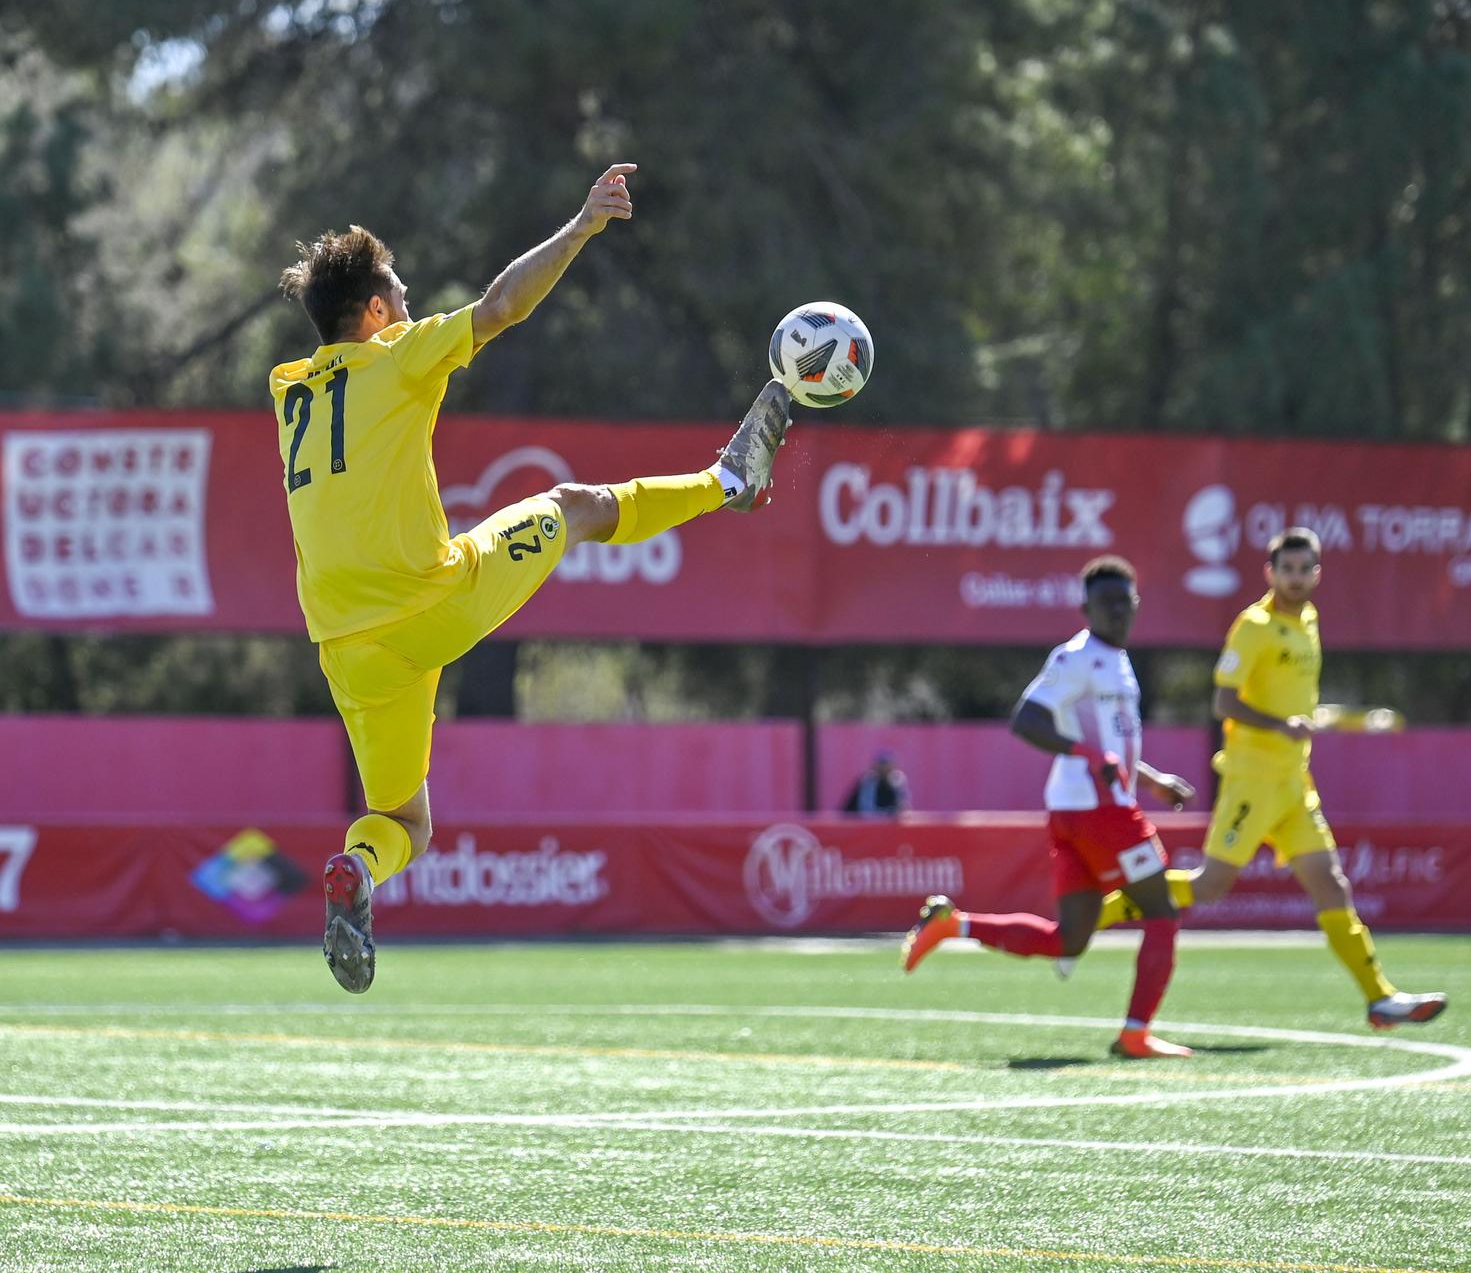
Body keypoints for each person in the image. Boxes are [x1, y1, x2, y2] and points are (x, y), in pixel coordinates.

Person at [271, 163, 793, 994]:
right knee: (578, 504)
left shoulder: (289, 391)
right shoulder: (396, 354)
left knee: (405, 821)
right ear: (374, 313)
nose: (409, 307)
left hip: (344, 646)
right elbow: (501, 308)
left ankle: (358, 869)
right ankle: (726, 482)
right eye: (400, 296)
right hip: (430, 603)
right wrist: (583, 223)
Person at [1097, 528, 1446, 1030]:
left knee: (1331, 885)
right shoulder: (1254, 626)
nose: (1297, 578)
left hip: (1293, 782)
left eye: (1306, 569)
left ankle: (1379, 996)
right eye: (1288, 569)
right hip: (1252, 779)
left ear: (1317, 574)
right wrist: (1281, 725)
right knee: (1211, 886)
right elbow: (1224, 702)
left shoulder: (1308, 620)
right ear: (1271, 572)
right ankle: (1094, 916)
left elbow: (1293, 701)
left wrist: (1324, 720)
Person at [900, 556, 1198, 1059]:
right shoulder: (1076, 657)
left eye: (1124, 602)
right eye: (1106, 604)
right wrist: (1088, 757)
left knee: (1070, 939)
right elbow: (1026, 720)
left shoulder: (1118, 661)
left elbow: (1108, 745)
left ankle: (954, 925)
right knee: (1162, 911)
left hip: (1081, 809)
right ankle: (1135, 1033)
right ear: (1085, 609)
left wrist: (1152, 780)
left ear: (1136, 605)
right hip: (1097, 810)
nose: (1117, 612)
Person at [844, 751, 911, 817]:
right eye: (881, 765)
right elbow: (866, 811)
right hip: (860, 824)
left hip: (886, 825)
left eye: (887, 765)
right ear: (874, 766)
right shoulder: (867, 780)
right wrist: (888, 814)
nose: (884, 769)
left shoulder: (897, 781)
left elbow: (903, 809)